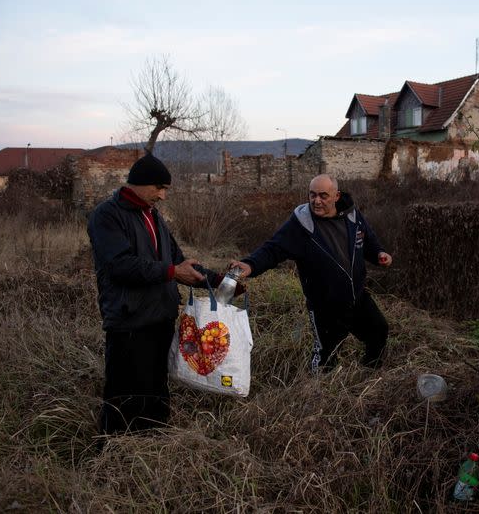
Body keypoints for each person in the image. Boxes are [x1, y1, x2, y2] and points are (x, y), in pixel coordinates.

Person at [87, 152, 222, 435]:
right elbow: (120, 266)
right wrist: (173, 273)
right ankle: (112, 458)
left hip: (160, 319)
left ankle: (152, 448)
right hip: (129, 322)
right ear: (138, 183)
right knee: (122, 397)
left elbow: (178, 262)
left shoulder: (153, 216)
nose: (163, 196)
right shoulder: (106, 216)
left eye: (165, 189)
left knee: (155, 394)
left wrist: (220, 282)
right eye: (159, 188)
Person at [231, 174, 392, 372]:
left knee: (378, 330)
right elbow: (273, 249)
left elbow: (367, 239)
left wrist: (379, 254)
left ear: (336, 196)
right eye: (312, 195)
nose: (317, 201)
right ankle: (317, 395)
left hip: (356, 296)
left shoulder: (352, 215)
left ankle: (369, 373)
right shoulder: (301, 224)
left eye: (323, 196)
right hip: (325, 306)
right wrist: (250, 265)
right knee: (326, 357)